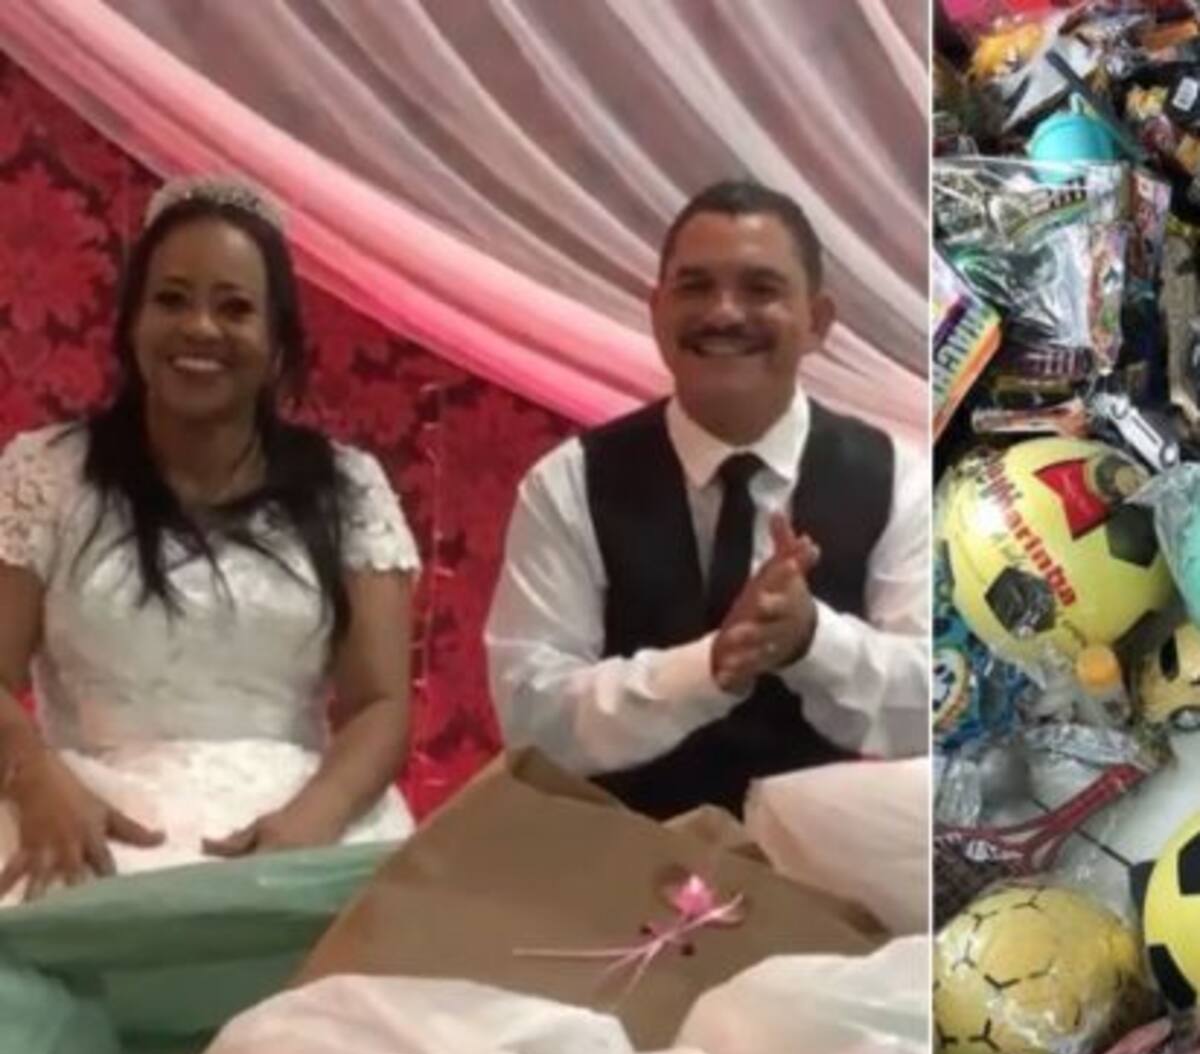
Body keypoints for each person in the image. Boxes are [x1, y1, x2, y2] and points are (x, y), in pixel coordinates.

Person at [0, 175, 418, 898]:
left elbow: (381, 706)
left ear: (277, 341)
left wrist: (313, 823)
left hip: (302, 826)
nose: (199, 328)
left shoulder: (348, 487)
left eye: (235, 308)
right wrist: (35, 779)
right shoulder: (46, 472)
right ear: (132, 323)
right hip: (79, 820)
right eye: (171, 300)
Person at [486, 179, 928, 818]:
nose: (723, 313)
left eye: (761, 289)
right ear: (656, 311)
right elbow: (532, 716)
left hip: (823, 863)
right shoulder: (568, 482)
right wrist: (708, 667)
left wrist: (812, 640)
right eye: (695, 287)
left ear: (818, 322)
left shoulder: (900, 481)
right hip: (610, 853)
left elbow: (935, 706)